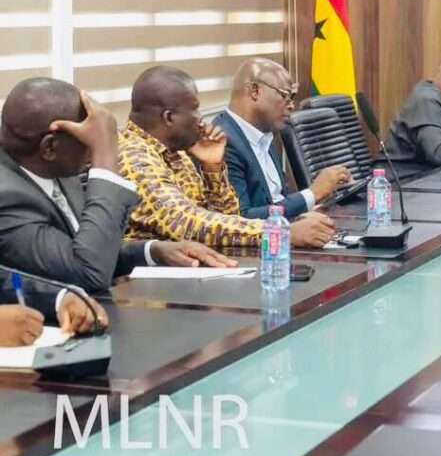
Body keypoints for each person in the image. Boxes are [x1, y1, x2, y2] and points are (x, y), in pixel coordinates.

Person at [0, 78, 231, 330]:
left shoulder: (56, 170)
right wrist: (106, 158)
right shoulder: (8, 196)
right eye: (90, 143)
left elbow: (85, 248)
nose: (96, 151)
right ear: (50, 147)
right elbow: (87, 271)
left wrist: (152, 251)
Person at [118, 66, 335, 248]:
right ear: (169, 117)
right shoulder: (134, 157)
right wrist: (279, 232)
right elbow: (186, 224)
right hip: (152, 288)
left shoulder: (176, 153)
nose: (201, 119)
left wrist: (213, 168)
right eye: (195, 110)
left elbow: (228, 217)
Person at [214, 59, 351, 220]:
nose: (292, 105)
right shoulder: (222, 142)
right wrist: (313, 194)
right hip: (261, 243)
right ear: (255, 91)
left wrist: (309, 209)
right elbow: (242, 219)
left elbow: (278, 199)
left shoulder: (265, 133)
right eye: (286, 95)